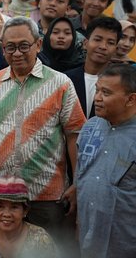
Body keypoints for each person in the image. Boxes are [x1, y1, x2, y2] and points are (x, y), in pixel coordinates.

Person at [0, 16, 86, 254]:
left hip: (46, 193)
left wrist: (77, 183)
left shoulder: (60, 83)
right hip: (2, 193)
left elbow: (74, 135)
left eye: (24, 45)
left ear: (38, 44)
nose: (17, 53)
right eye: (10, 47)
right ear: (3, 48)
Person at [76, 63, 136, 258]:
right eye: (97, 90)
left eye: (107, 93)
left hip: (124, 244)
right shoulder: (89, 128)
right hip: (88, 239)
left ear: (131, 99)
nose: (97, 98)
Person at [0, 176, 57, 258]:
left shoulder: (40, 239)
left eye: (14, 207)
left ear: (25, 210)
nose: (7, 214)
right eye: (0, 207)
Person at [66, 17, 122, 119]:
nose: (103, 46)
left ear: (115, 49)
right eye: (98, 39)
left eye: (110, 42)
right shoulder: (66, 79)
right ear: (85, 43)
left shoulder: (120, 84)